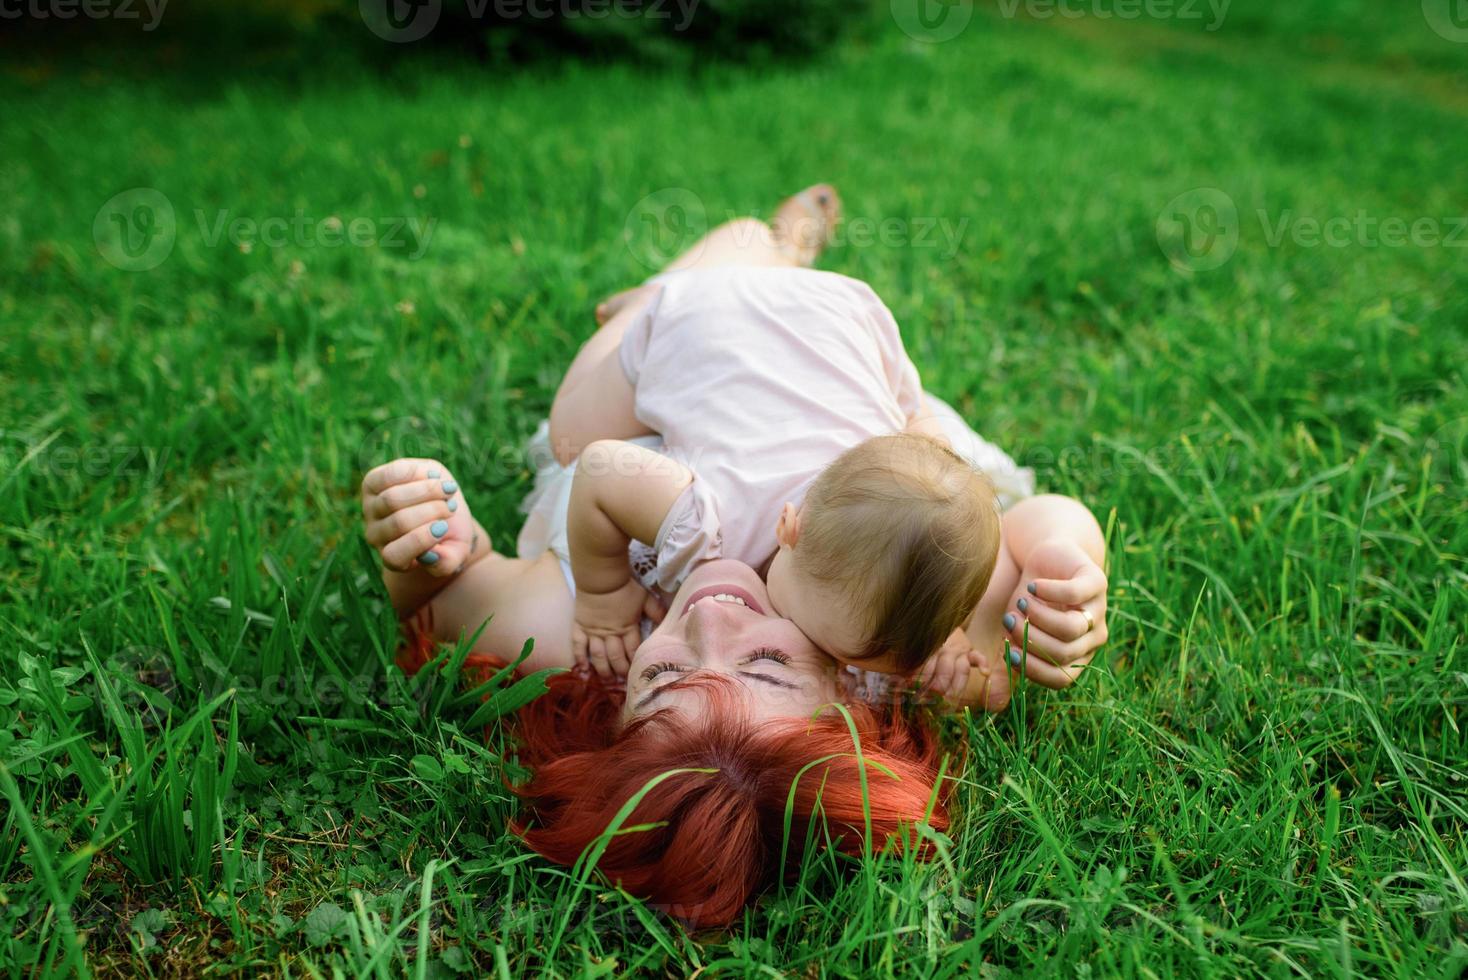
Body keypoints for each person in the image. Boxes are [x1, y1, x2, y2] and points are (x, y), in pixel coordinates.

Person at [358, 185, 1110, 926]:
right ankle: (776, 251)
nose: (710, 624)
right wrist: (1065, 569)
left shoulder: (585, 631)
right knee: (763, 271)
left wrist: (421, 533)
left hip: (658, 400)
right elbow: (1040, 521)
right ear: (849, 700)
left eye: (663, 675)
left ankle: (658, 303)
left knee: (642, 355)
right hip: (851, 428)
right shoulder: (893, 638)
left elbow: (434, 596)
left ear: (619, 708)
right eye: (767, 666)